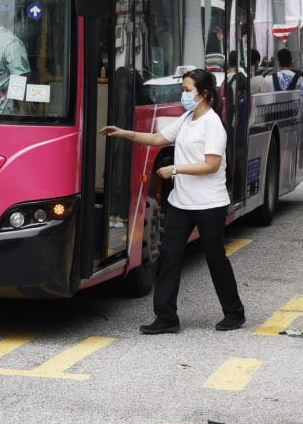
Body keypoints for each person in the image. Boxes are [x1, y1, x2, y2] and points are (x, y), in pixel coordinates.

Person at [101, 68, 245, 334]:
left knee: (215, 258)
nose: (183, 94)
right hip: (182, 201)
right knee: (169, 256)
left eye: (188, 90)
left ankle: (234, 313)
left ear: (203, 94)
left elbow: (212, 165)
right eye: (183, 89)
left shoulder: (213, 124)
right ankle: (166, 317)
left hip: (209, 204)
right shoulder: (188, 118)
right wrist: (123, 133)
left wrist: (176, 170)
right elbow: (157, 138)